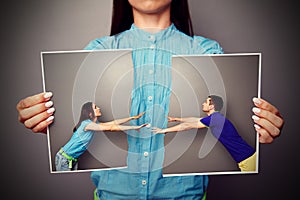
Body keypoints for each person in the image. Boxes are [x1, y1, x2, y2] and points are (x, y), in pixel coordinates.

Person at [16, 0, 284, 199]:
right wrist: (46, 117)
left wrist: (259, 125)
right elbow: (78, 126)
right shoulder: (97, 52)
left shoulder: (207, 52)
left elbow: (212, 124)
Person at [152, 95, 257, 172]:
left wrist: (163, 130)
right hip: (247, 158)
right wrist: (176, 119)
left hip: (247, 160)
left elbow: (187, 126)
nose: (203, 103)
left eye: (206, 102)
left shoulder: (215, 119)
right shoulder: (215, 118)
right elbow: (195, 120)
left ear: (212, 106)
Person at [55, 101, 146, 171]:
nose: (98, 108)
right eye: (95, 107)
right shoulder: (86, 124)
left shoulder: (94, 124)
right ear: (90, 113)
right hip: (64, 159)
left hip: (73, 160)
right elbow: (111, 128)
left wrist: (132, 118)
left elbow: (113, 123)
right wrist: (134, 127)